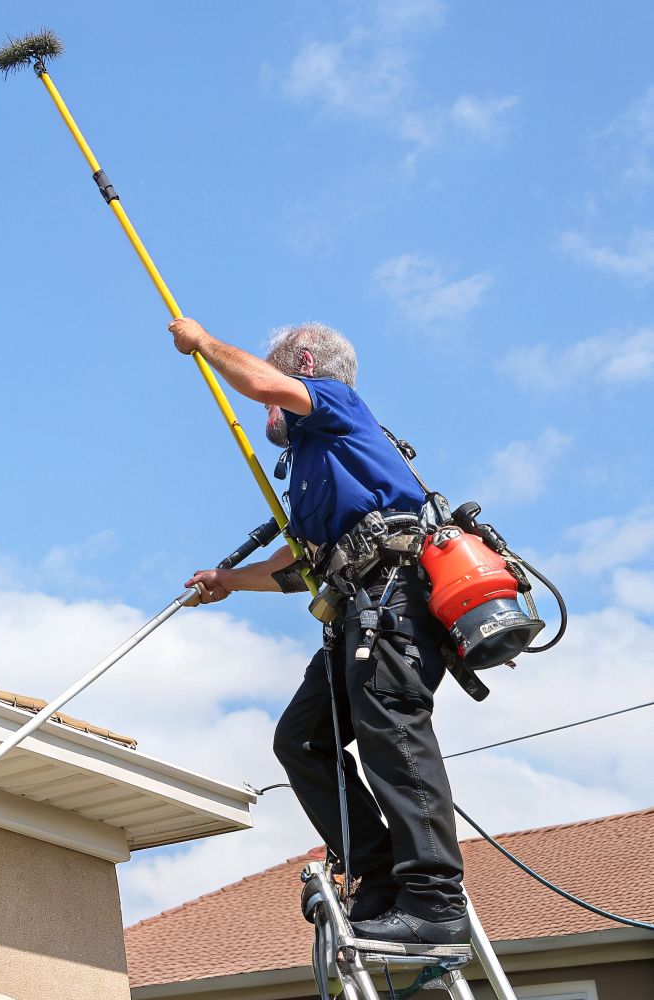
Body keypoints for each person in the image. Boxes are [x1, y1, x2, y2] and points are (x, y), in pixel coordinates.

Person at [172, 318, 470, 946]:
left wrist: (203, 342)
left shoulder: (337, 403)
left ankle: (435, 900)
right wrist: (230, 581)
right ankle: (380, 875)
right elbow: (294, 564)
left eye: (283, 369)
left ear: (302, 363)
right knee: (302, 739)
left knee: (391, 727)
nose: (268, 413)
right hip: (357, 608)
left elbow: (258, 383)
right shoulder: (318, 460)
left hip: (393, 602)